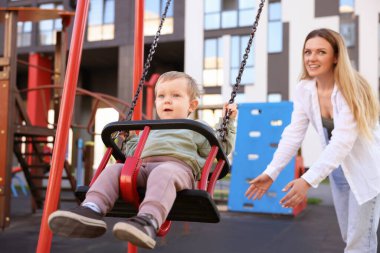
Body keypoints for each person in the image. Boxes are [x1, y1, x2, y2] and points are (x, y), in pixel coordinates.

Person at [48, 71, 237, 249]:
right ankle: (92, 209)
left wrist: (227, 124)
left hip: (178, 169)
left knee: (164, 172)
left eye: (176, 96)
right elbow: (133, 152)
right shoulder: (150, 128)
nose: (167, 100)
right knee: (115, 169)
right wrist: (127, 138)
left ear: (192, 105)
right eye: (161, 96)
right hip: (143, 167)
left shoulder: (196, 128)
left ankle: (148, 220)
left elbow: (220, 148)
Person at [246, 28, 380, 253]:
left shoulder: (351, 89)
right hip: (338, 170)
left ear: (336, 56)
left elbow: (341, 142)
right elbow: (293, 133)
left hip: (365, 170)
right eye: (307, 52)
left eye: (320, 52)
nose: (312, 58)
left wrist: (306, 181)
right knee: (350, 238)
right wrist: (272, 171)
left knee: (360, 244)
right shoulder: (305, 89)